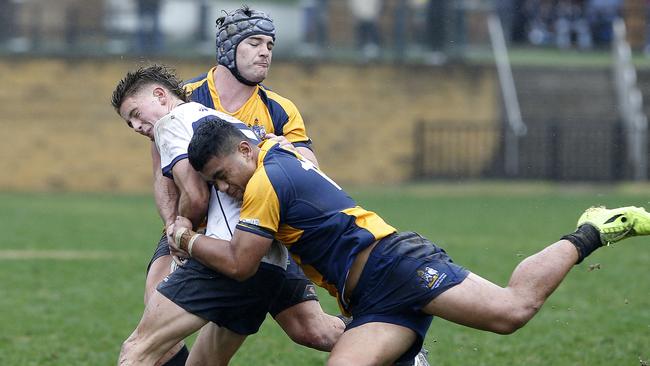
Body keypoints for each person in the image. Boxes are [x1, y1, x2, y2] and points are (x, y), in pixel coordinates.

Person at [176, 117, 650, 365]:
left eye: (221, 177)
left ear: (244, 150)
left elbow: (240, 264)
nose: (223, 189)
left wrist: (186, 238)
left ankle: (594, 229)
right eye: (214, 184)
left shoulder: (264, 182)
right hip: (368, 300)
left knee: (511, 311)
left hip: (395, 265)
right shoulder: (274, 149)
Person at [111, 65, 346, 366]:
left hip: (228, 255)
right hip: (271, 259)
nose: (135, 125)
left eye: (134, 113)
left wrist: (180, 230)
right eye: (129, 122)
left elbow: (195, 196)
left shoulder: (171, 123)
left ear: (159, 96)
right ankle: (395, 344)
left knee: (138, 350)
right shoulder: (224, 123)